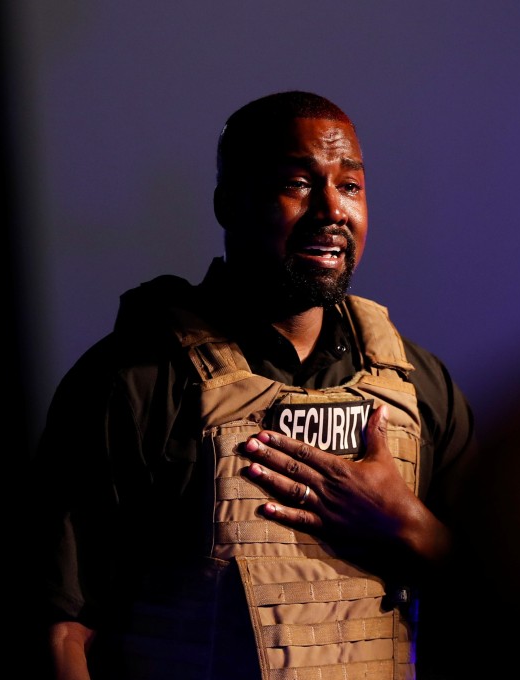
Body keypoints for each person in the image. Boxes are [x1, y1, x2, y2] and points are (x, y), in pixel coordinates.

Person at [30, 90, 477, 680]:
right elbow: (63, 622)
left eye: (349, 186)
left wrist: (408, 527)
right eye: (298, 184)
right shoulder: (132, 385)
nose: (332, 211)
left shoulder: (420, 386)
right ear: (228, 203)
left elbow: (510, 606)